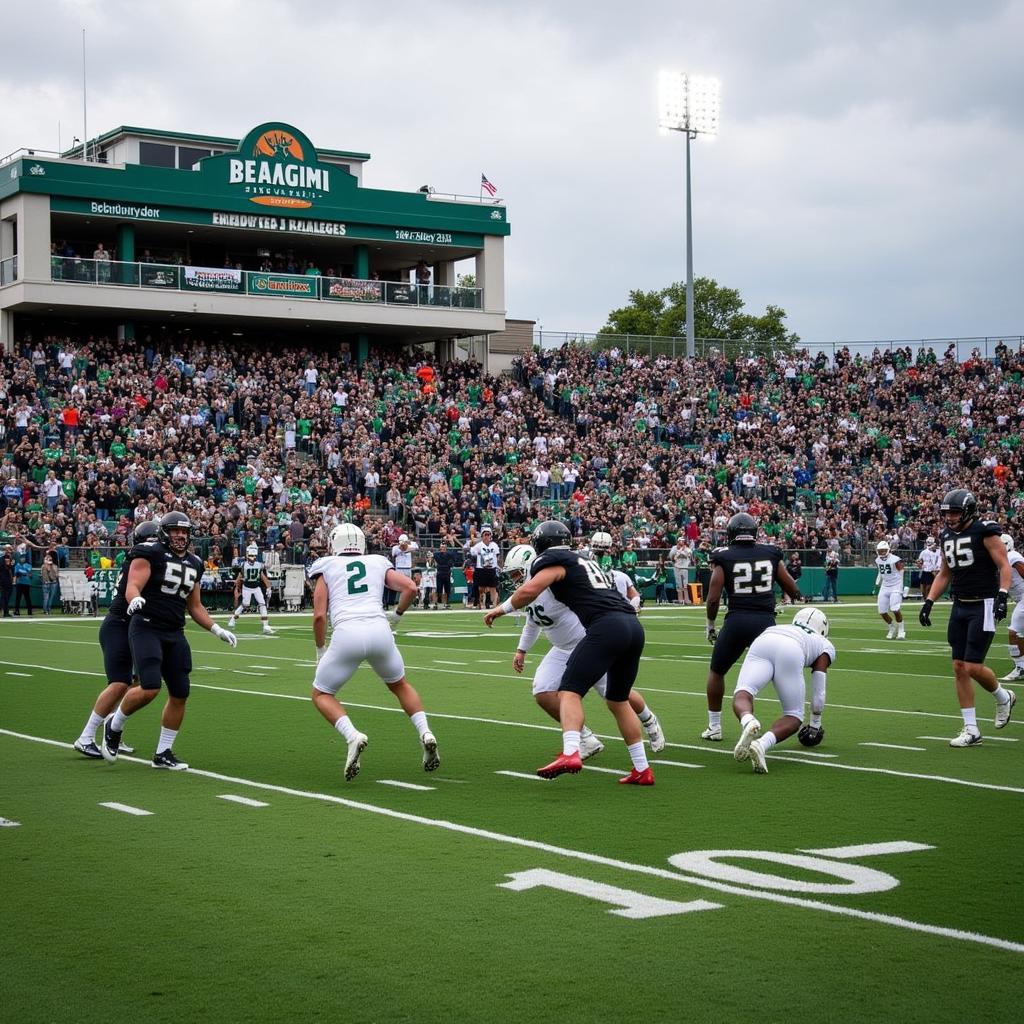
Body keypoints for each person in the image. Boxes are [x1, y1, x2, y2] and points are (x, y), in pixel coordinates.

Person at [484, 521, 651, 785]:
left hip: (604, 627)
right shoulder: (582, 559)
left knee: (569, 692)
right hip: (632, 625)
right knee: (617, 700)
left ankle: (571, 751)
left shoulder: (554, 563)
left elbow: (529, 590)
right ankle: (642, 769)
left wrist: (499, 610)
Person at [101, 511, 237, 770]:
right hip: (147, 627)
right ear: (164, 531)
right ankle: (114, 724)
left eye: (184, 531)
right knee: (150, 687)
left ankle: (163, 752)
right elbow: (133, 585)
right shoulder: (149, 552)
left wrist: (216, 629)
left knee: (180, 692)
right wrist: (135, 599)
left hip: (175, 631)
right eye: (175, 530)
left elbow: (195, 606)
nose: (180, 535)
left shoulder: (196, 562)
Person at [501, 543, 665, 758]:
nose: (513, 579)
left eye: (515, 573)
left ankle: (648, 719)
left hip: (588, 643)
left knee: (615, 694)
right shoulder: (529, 591)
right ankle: (585, 738)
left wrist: (500, 610)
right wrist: (521, 650)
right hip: (561, 649)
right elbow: (532, 623)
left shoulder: (551, 583)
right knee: (542, 691)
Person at [308, 522, 439, 781]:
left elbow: (319, 616)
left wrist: (320, 648)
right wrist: (397, 615)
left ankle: (353, 736)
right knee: (400, 685)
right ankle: (425, 732)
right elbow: (411, 588)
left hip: (347, 634)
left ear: (334, 543)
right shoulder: (377, 561)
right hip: (380, 631)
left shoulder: (326, 565)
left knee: (321, 694)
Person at [919, 489, 1016, 746]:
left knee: (972, 666)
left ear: (968, 511)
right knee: (958, 667)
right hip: (960, 604)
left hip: (982, 604)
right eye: (947, 513)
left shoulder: (985, 531)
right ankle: (971, 729)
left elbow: (1004, 565)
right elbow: (944, 573)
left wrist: (1003, 595)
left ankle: (1003, 696)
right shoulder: (947, 535)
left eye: (954, 512)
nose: (949, 517)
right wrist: (929, 601)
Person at [701, 513, 803, 743]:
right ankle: (794, 715)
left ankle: (715, 726)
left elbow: (714, 598)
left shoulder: (723, 556)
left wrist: (710, 624)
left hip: (737, 621)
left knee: (717, 671)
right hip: (766, 623)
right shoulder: (770, 552)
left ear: (730, 533)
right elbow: (789, 584)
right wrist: (797, 595)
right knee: (773, 675)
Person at [73, 521, 161, 758]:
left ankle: (112, 728)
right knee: (119, 682)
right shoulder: (139, 560)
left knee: (138, 681)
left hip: (132, 626)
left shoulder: (145, 560)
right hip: (119, 625)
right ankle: (86, 736)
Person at [732, 607, 835, 775]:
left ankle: (748, 720)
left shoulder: (784, 626)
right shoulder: (824, 643)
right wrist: (815, 723)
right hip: (791, 648)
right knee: (794, 716)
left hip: (765, 638)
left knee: (744, 691)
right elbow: (819, 687)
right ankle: (761, 744)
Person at [227, 543, 275, 635]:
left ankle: (265, 625)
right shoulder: (245, 565)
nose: (253, 557)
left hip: (256, 587)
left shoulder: (255, 565)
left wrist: (268, 587)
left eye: (254, 555)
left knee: (262, 604)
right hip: (247, 587)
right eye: (251, 555)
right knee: (245, 604)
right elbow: (239, 577)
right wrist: (237, 588)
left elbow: (263, 575)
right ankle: (233, 619)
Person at [998, 533, 1024, 681]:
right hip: (1019, 598)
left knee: (1013, 632)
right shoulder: (1001, 559)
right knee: (1019, 633)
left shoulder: (1012, 555)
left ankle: (1020, 666)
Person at [874, 540, 906, 639]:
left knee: (895, 609)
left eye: (884, 550)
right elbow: (880, 571)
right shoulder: (877, 560)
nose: (882, 553)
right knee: (882, 611)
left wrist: (901, 586)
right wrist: (878, 581)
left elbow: (901, 571)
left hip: (896, 585)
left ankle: (901, 630)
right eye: (880, 551)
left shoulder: (895, 559)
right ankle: (891, 627)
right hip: (885, 585)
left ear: (888, 550)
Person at [469, 525, 500, 610]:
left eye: (488, 534)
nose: (487, 536)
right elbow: (472, 552)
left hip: (491, 569)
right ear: (482, 536)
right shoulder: (479, 545)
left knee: (493, 588)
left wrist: (496, 565)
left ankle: (494, 605)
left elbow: (497, 556)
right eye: (485, 534)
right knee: (481, 588)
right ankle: (479, 603)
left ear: (491, 535)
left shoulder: (494, 545)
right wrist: (472, 544)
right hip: (481, 569)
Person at [433, 539, 459, 609]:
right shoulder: (437, 554)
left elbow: (454, 558)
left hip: (447, 573)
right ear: (440, 548)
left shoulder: (449, 554)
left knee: (447, 589)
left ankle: (447, 603)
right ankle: (437, 603)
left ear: (446, 548)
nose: (443, 549)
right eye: (442, 547)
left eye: (444, 547)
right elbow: (437, 559)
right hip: (440, 573)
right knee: (439, 589)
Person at [669, 537, 693, 604]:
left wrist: (681, 550)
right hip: (676, 567)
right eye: (680, 541)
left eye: (682, 541)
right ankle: (680, 599)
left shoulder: (688, 549)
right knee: (678, 584)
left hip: (684, 567)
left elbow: (688, 555)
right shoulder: (674, 548)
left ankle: (686, 599)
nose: (681, 543)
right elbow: (671, 556)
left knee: (685, 584)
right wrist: (677, 550)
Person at [917, 536, 942, 601]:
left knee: (929, 587)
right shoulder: (924, 552)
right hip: (925, 570)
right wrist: (920, 564)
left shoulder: (938, 551)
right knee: (923, 587)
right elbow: (919, 560)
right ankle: (925, 599)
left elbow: (939, 559)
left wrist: (937, 568)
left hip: (932, 570)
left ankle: (928, 599)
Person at [0, 551, 14, 616]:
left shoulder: (10, 562)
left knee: (6, 598)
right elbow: (5, 568)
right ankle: (5, 612)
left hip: (8, 582)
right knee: (4, 598)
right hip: (5, 582)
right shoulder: (3, 562)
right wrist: (9, 564)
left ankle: (6, 612)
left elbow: (12, 571)